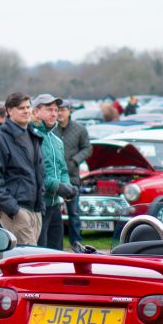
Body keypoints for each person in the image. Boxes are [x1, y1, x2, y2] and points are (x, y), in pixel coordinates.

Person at [0, 92, 45, 246]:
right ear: (9, 111)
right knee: (29, 261)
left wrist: (40, 206)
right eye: (21, 108)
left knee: (31, 259)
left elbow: (38, 174)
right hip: (15, 212)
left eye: (28, 107)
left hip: (35, 210)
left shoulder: (33, 136)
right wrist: (14, 209)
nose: (26, 111)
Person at [32, 94, 77, 250]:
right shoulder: (31, 137)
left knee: (57, 251)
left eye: (56, 110)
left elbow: (63, 168)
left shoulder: (56, 140)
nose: (54, 114)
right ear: (36, 112)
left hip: (54, 205)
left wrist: (67, 187)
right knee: (40, 253)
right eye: (49, 109)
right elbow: (34, 173)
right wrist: (57, 186)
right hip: (37, 205)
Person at [54, 101, 92, 253]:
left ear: (69, 111)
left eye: (63, 110)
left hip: (72, 177)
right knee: (54, 211)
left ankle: (76, 242)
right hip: (55, 178)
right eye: (58, 110)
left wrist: (75, 160)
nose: (60, 113)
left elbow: (88, 148)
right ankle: (55, 244)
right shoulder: (52, 129)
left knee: (74, 212)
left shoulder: (79, 129)